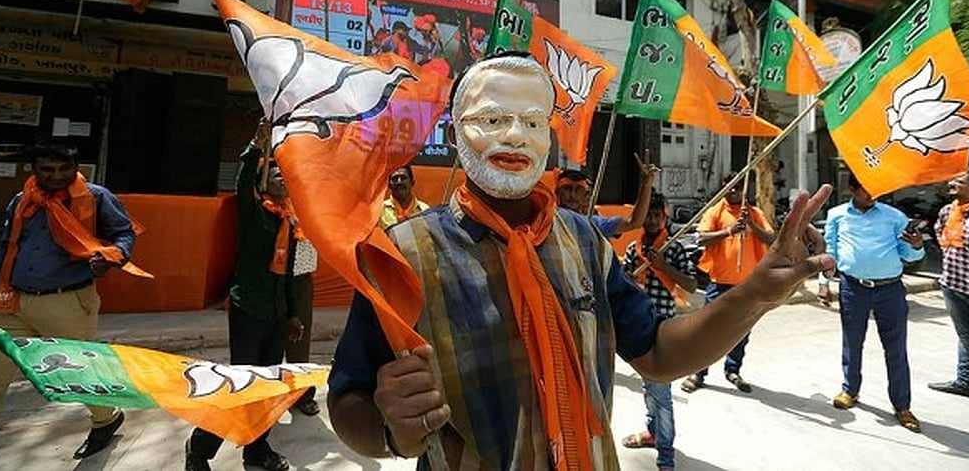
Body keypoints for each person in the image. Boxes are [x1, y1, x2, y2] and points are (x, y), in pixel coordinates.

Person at [326, 52, 835, 468]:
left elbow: (658, 354)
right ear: (457, 131)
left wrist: (756, 295)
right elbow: (348, 399)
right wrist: (390, 429)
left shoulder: (586, 242)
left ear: (549, 136)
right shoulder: (400, 254)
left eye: (532, 121)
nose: (514, 135)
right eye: (493, 119)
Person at [0, 143, 136, 460]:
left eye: (64, 169)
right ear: (33, 169)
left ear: (75, 167)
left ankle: (106, 419)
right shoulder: (21, 201)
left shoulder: (95, 198)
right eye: (47, 169)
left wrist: (110, 258)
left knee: (79, 374)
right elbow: (5, 246)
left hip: (67, 302)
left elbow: (124, 234)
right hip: (11, 302)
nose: (56, 176)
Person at [185, 121, 303, 471]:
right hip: (248, 310)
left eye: (287, 174)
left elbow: (289, 278)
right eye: (276, 173)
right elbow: (242, 179)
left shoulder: (290, 223)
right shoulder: (255, 214)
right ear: (264, 181)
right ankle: (199, 448)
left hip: (277, 314)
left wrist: (292, 314)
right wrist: (256, 145)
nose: (282, 178)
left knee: (266, 386)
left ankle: (256, 451)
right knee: (241, 385)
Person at [824, 172, 925, 432]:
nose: (871, 195)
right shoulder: (837, 215)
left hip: (889, 290)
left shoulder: (894, 217)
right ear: (851, 190)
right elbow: (830, 251)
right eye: (865, 190)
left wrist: (916, 245)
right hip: (852, 288)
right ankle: (850, 390)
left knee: (896, 348)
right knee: (852, 341)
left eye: (874, 190)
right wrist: (824, 283)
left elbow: (910, 255)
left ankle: (902, 405)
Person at [620, 194, 697, 471]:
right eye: (648, 215)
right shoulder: (633, 247)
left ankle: (666, 456)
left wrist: (663, 267)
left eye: (657, 216)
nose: (652, 220)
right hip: (637, 326)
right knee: (648, 386)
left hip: (663, 328)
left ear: (664, 218)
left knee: (661, 392)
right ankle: (653, 433)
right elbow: (623, 281)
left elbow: (690, 283)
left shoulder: (674, 249)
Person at [681, 174, 776, 394]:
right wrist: (729, 231)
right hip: (719, 283)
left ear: (745, 190)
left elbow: (772, 240)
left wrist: (752, 226)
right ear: (724, 188)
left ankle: (733, 369)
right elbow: (701, 238)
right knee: (708, 329)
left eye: (739, 188)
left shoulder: (755, 213)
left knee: (741, 330)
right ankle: (698, 371)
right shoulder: (716, 211)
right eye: (730, 187)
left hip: (747, 286)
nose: (734, 192)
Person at [928, 166, 969, 399]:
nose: (952, 182)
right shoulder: (947, 211)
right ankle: (965, 382)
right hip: (952, 284)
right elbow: (941, 240)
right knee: (967, 335)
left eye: (959, 180)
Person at [555, 156, 659, 238]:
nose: (572, 195)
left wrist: (646, 185)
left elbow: (634, 222)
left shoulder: (593, 224)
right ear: (557, 192)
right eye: (567, 189)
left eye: (578, 190)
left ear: (586, 195)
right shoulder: (549, 221)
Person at [285, 233, 321, 415]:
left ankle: (301, 393)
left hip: (301, 271)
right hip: (270, 271)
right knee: (267, 340)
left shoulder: (310, 204)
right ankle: (263, 396)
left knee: (299, 336)